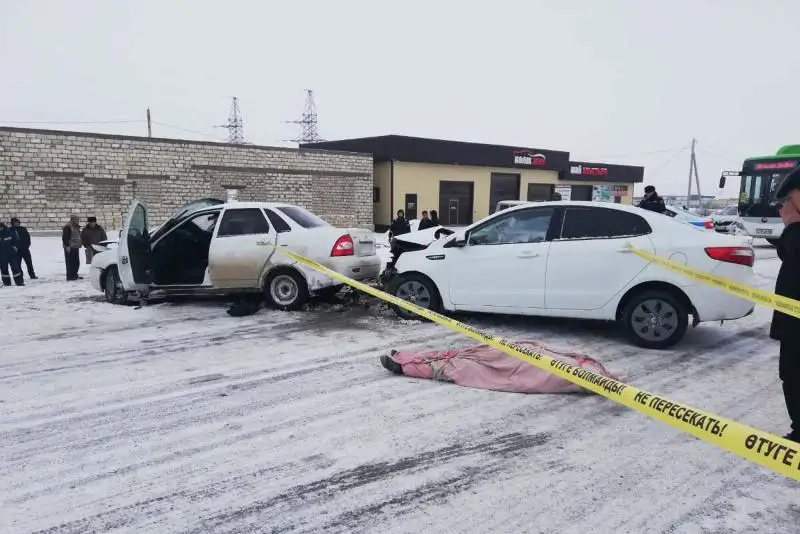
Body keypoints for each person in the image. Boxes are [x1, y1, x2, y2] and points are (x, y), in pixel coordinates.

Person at [379, 339, 618, 394]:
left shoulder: (584, 375)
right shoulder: (583, 362)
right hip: (523, 355)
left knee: (463, 366)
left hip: (525, 368)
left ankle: (405, 365)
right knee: (471, 353)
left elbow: (532, 378)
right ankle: (408, 357)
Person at [770, 166, 800, 443]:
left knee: (794, 378)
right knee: (790, 378)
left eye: (787, 201)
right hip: (792, 326)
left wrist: (792, 225)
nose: (783, 208)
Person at [0, 222, 24, 286]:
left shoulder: (9, 232)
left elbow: (16, 241)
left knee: (15, 268)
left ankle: (19, 282)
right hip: (2, 256)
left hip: (12, 255)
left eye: (1, 227)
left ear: (3, 227)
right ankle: (7, 283)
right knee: (4, 270)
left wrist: (15, 249)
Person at [62, 214, 83, 281]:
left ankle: (75, 275)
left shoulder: (76, 227)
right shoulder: (67, 227)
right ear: (72, 220)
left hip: (75, 246)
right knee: (70, 262)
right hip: (70, 247)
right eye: (76, 220)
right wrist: (67, 246)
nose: (78, 221)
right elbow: (65, 237)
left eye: (78, 220)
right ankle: (70, 276)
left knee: (76, 262)